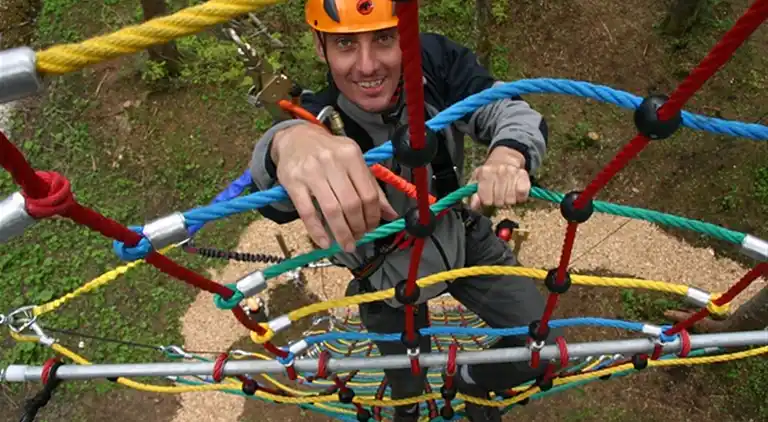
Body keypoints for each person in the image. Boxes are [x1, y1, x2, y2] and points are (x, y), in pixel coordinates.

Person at [248, 1, 559, 421]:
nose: (367, 65)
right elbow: (273, 196)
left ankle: (471, 379)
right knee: (406, 379)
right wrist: (287, 144)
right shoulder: (318, 124)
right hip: (384, 274)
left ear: (405, 37)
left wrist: (508, 155)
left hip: (461, 238)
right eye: (345, 44)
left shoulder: (435, 66)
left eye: (383, 38)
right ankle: (408, 407)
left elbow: (509, 110)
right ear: (321, 47)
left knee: (540, 348)